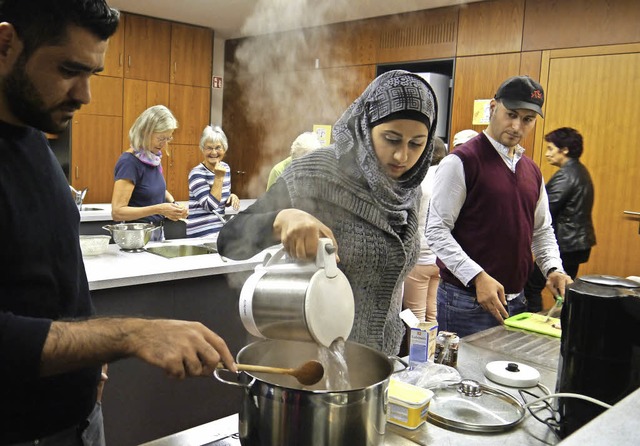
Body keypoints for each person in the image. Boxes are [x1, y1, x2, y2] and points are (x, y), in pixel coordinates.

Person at [0, 1, 235, 444]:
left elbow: (51, 273)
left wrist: (89, 359)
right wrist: (125, 335)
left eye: (93, 74)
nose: (85, 95)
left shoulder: (33, 138)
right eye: (70, 69)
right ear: (6, 43)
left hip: (79, 416)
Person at [218, 70, 438, 356]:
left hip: (380, 360)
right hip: (312, 360)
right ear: (365, 126)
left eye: (416, 144)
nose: (402, 157)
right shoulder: (317, 172)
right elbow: (229, 240)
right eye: (392, 139)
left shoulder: (409, 188)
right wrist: (282, 219)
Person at [425, 75, 573, 338]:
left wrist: (554, 268)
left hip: (517, 301)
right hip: (466, 300)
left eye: (527, 119)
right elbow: (436, 230)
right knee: (460, 376)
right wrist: (476, 276)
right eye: (511, 114)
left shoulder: (532, 171)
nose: (517, 126)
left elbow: (541, 231)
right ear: (493, 108)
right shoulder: (461, 161)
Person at [524, 127, 596, 312]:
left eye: (550, 148)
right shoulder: (580, 171)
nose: (547, 153)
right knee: (564, 290)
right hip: (576, 243)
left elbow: (544, 211)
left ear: (564, 149)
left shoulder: (566, 175)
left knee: (531, 287)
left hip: (564, 243)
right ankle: (565, 325)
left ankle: (533, 327)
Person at [110, 105, 188, 241]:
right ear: (145, 132)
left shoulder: (153, 158)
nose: (164, 144)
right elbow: (118, 212)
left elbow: (155, 188)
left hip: (157, 233)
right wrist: (159, 209)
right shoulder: (129, 162)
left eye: (168, 139)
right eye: (160, 138)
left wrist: (174, 205)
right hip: (136, 237)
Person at [402, 136, 448, 323]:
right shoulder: (447, 179)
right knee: (432, 313)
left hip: (419, 257)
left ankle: (420, 353)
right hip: (441, 257)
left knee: (416, 316)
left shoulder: (418, 181)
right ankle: (434, 351)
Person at [186, 125, 240, 237]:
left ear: (224, 149)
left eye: (218, 148)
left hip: (219, 233)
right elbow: (210, 206)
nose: (214, 152)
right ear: (202, 149)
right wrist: (219, 177)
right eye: (209, 148)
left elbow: (220, 200)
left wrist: (231, 197)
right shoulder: (196, 173)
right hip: (200, 235)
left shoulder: (225, 168)